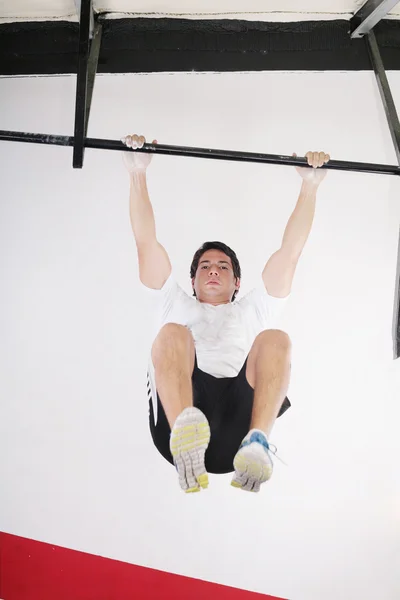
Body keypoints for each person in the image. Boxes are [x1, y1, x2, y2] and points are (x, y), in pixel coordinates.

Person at [122, 133, 329, 493]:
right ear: (192, 279)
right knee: (172, 333)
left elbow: (290, 252)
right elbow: (145, 242)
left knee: (275, 339)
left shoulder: (254, 309)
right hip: (181, 413)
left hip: (238, 422)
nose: (213, 270)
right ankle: (185, 431)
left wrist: (309, 186)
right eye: (205, 266)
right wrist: (137, 172)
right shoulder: (174, 303)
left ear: (237, 282)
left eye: (222, 266)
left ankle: (258, 442)